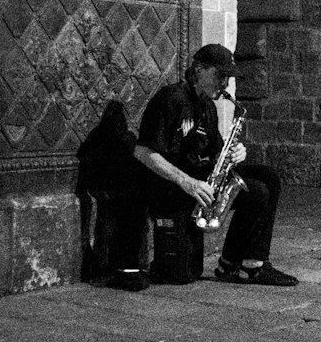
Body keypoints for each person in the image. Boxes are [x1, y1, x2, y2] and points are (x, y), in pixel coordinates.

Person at [108, 43, 298, 291]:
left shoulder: (207, 106)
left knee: (268, 178)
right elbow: (143, 152)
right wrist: (187, 182)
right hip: (172, 186)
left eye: (228, 78)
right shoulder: (171, 98)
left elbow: (215, 151)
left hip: (200, 178)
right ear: (199, 70)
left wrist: (235, 153)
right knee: (255, 192)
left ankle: (244, 264)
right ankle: (237, 264)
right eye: (220, 76)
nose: (225, 84)